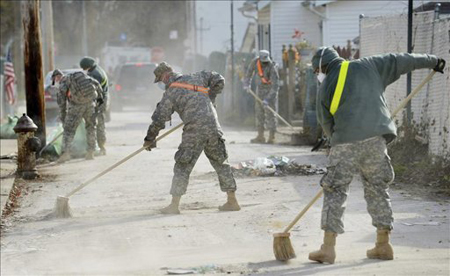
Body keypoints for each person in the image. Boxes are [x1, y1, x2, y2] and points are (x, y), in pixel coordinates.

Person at [309, 47, 446, 264]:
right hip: (376, 140)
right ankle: (383, 245)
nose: (318, 74)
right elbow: (402, 60)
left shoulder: (325, 86)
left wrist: (335, 141)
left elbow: (325, 123)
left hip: (344, 143)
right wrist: (433, 60)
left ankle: (328, 249)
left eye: (317, 70)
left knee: (335, 191)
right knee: (377, 188)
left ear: (321, 67)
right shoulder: (370, 65)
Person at [143, 62, 240, 214]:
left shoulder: (171, 92)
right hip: (214, 127)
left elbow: (159, 118)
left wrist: (150, 138)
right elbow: (219, 79)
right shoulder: (198, 77)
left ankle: (174, 205)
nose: (162, 84)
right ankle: (232, 200)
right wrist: (211, 97)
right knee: (221, 163)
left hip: (194, 131)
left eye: (161, 80)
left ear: (165, 76)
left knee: (183, 165)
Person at [53, 69, 103, 162]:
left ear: (57, 77)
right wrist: (99, 98)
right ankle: (90, 152)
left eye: (55, 80)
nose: (55, 82)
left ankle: (65, 154)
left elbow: (62, 103)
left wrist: (63, 118)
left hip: (76, 106)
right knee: (91, 127)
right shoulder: (80, 76)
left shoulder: (64, 82)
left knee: (68, 130)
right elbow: (96, 83)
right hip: (90, 105)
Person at [243, 50, 280, 144]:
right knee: (259, 113)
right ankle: (260, 136)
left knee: (270, 114)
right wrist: (247, 84)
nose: (264, 63)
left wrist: (268, 99)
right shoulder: (255, 62)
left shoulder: (272, 67)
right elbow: (249, 73)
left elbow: (276, 86)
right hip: (259, 91)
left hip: (270, 92)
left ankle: (272, 137)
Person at [80, 56, 109, 156]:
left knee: (94, 125)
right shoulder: (99, 70)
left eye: (84, 68)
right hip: (103, 100)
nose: (84, 70)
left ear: (88, 66)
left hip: (98, 102)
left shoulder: (94, 74)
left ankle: (96, 149)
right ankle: (101, 147)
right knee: (100, 123)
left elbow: (92, 91)